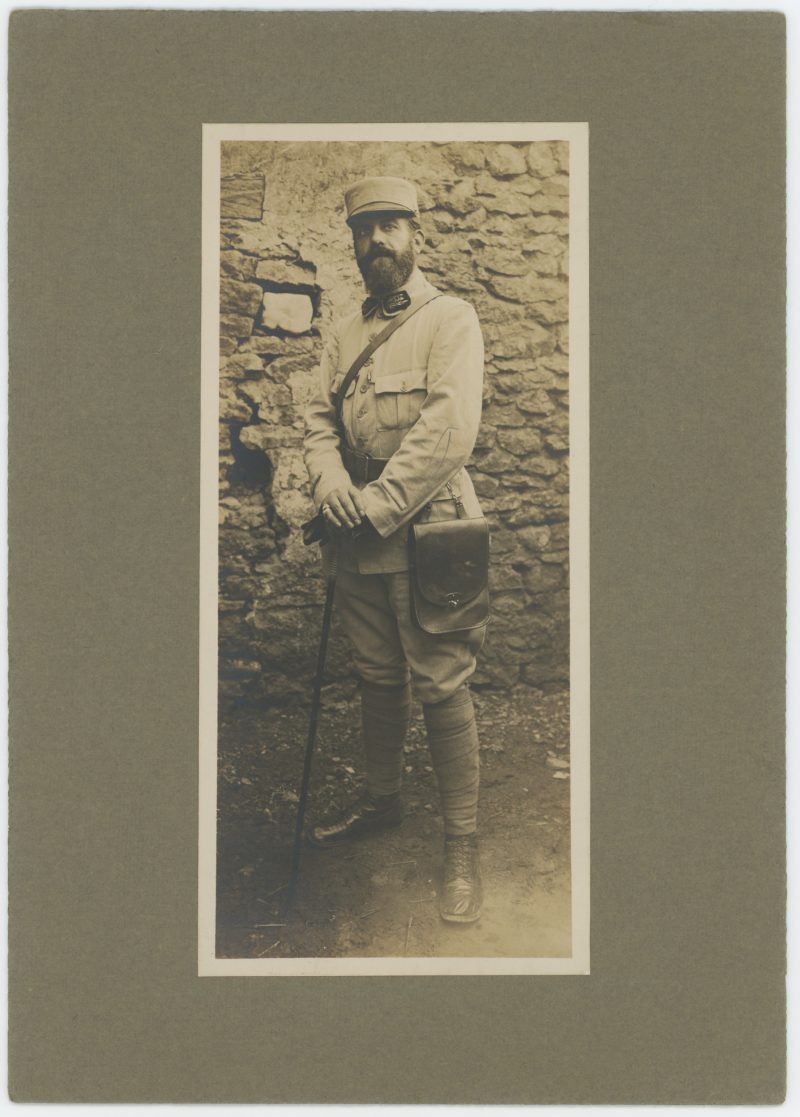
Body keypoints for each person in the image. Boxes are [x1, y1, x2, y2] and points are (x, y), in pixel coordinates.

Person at [303, 176, 488, 922]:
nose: (377, 239)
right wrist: (328, 485)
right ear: (352, 242)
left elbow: (449, 432)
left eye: (391, 226)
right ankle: (382, 802)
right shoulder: (343, 334)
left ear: (416, 233)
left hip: (427, 528)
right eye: (364, 229)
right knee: (376, 671)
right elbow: (318, 421)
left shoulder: (451, 320)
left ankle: (462, 848)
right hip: (354, 532)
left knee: (442, 680)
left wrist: (373, 503)